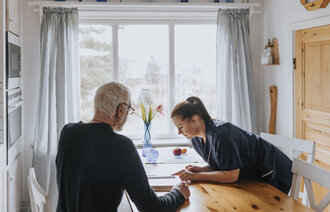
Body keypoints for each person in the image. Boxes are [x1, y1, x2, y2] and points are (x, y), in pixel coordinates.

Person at [56, 81, 190, 212]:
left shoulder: (68, 132)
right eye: (129, 109)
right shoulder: (122, 146)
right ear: (120, 110)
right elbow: (152, 208)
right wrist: (178, 193)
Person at [171, 96, 293, 194]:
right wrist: (201, 170)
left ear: (194, 119)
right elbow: (224, 165)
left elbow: (231, 175)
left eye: (180, 127)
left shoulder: (221, 135)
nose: (179, 132)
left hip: (273, 172)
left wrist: (196, 176)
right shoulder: (196, 140)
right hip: (251, 177)